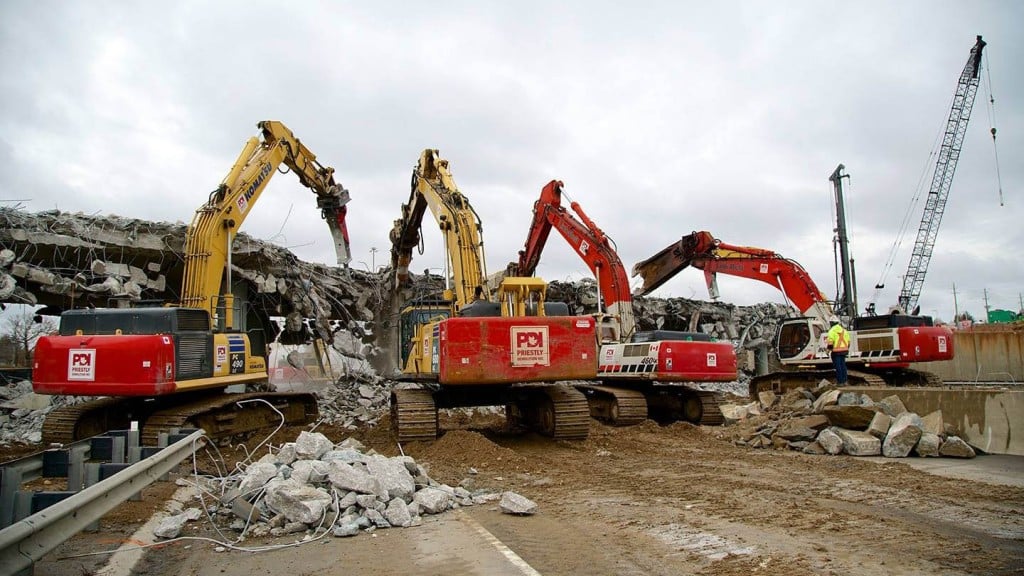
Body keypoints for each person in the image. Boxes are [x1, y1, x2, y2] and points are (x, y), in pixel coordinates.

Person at [826, 317, 850, 386]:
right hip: (844, 351)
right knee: (843, 366)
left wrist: (828, 351)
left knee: (838, 367)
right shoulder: (844, 330)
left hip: (836, 352)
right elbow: (848, 342)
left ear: (831, 323)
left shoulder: (832, 331)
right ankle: (845, 381)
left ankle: (840, 382)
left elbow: (830, 343)